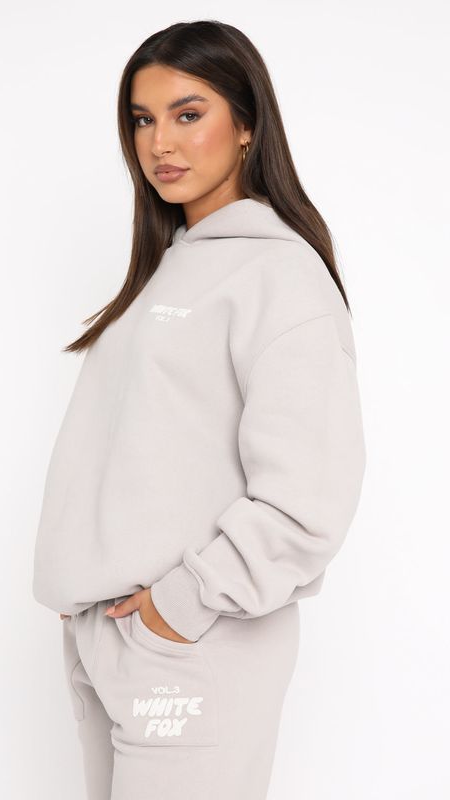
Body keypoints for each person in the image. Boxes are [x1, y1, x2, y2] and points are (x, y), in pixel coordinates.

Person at [32, 19, 366, 800]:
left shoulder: (279, 276)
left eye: (188, 114)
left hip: (192, 644)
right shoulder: (166, 272)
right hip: (115, 639)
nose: (159, 144)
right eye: (142, 119)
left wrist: (176, 608)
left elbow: (308, 498)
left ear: (246, 125)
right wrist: (86, 590)